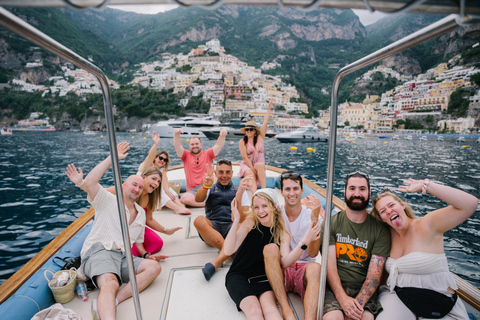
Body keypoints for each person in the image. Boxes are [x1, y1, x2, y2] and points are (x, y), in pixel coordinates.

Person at [371, 179, 478, 320]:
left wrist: (427, 186)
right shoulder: (386, 236)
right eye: (383, 211)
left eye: (391, 205)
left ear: (402, 205)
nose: (389, 211)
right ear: (382, 219)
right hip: (399, 296)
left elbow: (470, 204)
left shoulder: (428, 225)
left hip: (438, 303)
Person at [77, 142, 161, 320]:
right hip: (99, 250)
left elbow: (138, 243)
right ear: (123, 185)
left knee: (154, 268)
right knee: (110, 282)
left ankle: (114, 301)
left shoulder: (140, 215)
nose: (137, 189)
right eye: (133, 185)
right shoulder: (107, 200)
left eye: (140, 187)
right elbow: (90, 182)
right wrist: (112, 158)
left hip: (122, 257)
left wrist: (146, 256)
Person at [66, 151, 182, 261]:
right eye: (154, 179)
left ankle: (135, 253)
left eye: (158, 182)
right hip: (117, 227)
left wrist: (166, 231)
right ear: (144, 177)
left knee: (157, 243)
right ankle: (130, 254)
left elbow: (149, 219)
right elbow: (99, 191)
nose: (156, 184)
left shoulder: (151, 198)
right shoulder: (127, 189)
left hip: (135, 227)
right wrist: (80, 183)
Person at [224, 189, 321, 320]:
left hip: (265, 278)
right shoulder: (250, 223)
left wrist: (305, 241)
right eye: (256, 207)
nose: (260, 211)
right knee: (254, 311)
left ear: (274, 206)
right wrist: (236, 220)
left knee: (270, 309)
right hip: (240, 276)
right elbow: (228, 250)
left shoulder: (282, 232)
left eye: (265, 206)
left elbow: (285, 262)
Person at [322, 171, 391, 320]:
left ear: (369, 193)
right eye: (352, 188)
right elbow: (330, 267)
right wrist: (343, 299)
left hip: (363, 289)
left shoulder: (380, 230)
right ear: (345, 192)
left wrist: (355, 306)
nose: (357, 193)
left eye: (362, 189)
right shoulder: (331, 223)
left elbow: (374, 276)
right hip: (335, 288)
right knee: (333, 318)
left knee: (366, 318)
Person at [263, 171, 325, 320]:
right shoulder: (276, 214)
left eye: (295, 189)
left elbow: (313, 253)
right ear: (282, 192)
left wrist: (315, 219)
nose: (292, 193)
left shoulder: (312, 215)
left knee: (316, 267)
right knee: (269, 249)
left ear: (302, 191)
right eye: (288, 189)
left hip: (304, 270)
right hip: (282, 271)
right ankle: (286, 309)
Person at [193, 159, 251, 281]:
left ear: (232, 173)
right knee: (199, 220)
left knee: (245, 224)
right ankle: (233, 251)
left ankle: (217, 262)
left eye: (227, 172)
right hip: (213, 228)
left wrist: (239, 195)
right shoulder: (209, 187)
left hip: (232, 228)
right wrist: (205, 185)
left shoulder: (240, 190)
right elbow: (198, 199)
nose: (224, 175)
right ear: (215, 173)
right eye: (221, 172)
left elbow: (243, 216)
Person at [138, 131, 191, 215]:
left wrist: (169, 193)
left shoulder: (162, 170)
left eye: (165, 160)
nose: (162, 161)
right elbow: (149, 156)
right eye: (160, 158)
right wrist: (156, 144)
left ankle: (181, 206)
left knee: (170, 190)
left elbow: (166, 186)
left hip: (155, 188)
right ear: (155, 158)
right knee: (160, 192)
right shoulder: (147, 165)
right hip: (144, 189)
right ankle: (177, 208)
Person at [173, 128, 227, 207]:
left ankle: (207, 200)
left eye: (197, 144)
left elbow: (218, 145)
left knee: (215, 177)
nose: (195, 146)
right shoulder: (185, 155)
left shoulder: (208, 154)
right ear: (189, 146)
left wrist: (222, 135)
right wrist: (176, 134)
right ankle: (207, 203)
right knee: (184, 198)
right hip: (193, 191)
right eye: (192, 144)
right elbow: (177, 146)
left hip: (207, 186)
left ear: (201, 145)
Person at [238, 99, 274, 190]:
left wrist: (269, 108)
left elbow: (265, 122)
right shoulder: (242, 141)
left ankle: (264, 191)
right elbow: (245, 157)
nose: (249, 131)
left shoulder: (260, 138)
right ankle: (255, 195)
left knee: (261, 165)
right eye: (247, 129)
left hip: (258, 163)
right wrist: (252, 169)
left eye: (251, 129)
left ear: (255, 131)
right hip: (247, 165)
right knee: (250, 173)